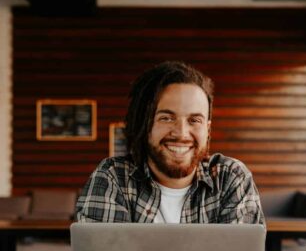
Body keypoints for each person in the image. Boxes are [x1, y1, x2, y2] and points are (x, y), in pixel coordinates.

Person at [76, 61, 264, 225]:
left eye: (194, 120)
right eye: (166, 118)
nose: (181, 133)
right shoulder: (113, 179)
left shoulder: (231, 178)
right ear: (144, 123)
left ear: (208, 129)